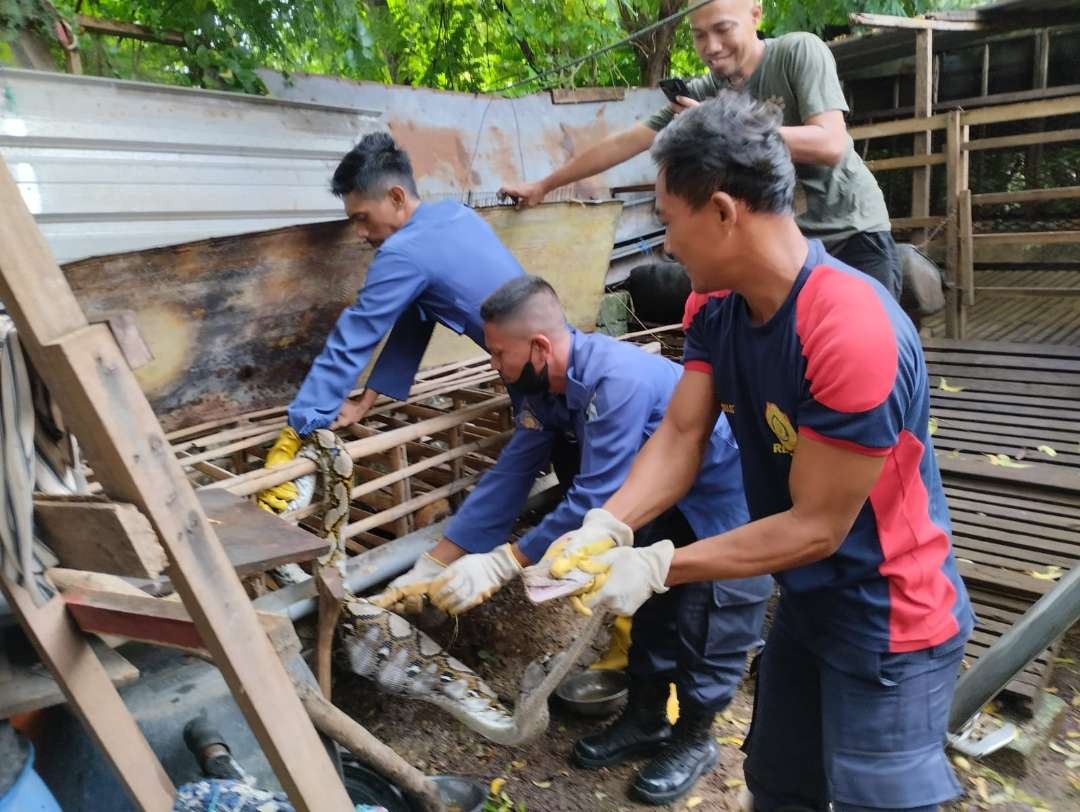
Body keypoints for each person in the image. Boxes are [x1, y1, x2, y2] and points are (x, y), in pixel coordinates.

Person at [531, 93, 974, 812]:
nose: (667, 244)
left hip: (890, 619)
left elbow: (815, 527)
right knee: (779, 788)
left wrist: (659, 564)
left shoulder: (850, 329)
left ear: (724, 212)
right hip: (806, 605)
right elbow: (681, 435)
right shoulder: (715, 306)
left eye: (669, 221)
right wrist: (609, 524)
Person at [373, 276, 771, 806]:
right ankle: (645, 719)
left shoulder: (614, 378)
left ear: (539, 346)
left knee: (709, 623)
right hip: (651, 505)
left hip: (715, 503)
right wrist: (433, 562)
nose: (495, 365)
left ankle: (695, 740)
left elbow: (594, 495)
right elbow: (511, 474)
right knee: (650, 611)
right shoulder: (544, 389)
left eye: (498, 353)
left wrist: (505, 563)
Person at [499, 0, 901, 299]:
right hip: (791, 249)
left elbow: (830, 143)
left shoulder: (798, 52)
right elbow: (626, 142)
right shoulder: (708, 90)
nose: (711, 46)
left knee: (879, 354)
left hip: (853, 232)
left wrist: (725, 123)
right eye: (699, 34)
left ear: (755, 14)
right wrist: (544, 185)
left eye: (723, 29)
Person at [256, 133, 525, 512]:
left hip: (542, 379)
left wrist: (297, 429)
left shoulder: (404, 251)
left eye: (362, 219)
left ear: (397, 197)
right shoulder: (453, 215)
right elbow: (417, 321)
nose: (360, 233)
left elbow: (353, 338)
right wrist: (365, 402)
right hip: (544, 359)